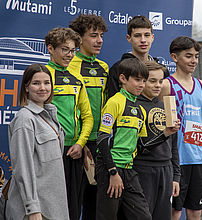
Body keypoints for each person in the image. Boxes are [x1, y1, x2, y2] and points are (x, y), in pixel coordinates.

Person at [159, 36, 202, 220]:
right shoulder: (166, 85)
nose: (194, 61)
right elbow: (162, 125)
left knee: (195, 212)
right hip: (177, 160)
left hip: (199, 159)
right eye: (188, 56)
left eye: (196, 56)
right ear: (174, 57)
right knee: (174, 211)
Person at [6, 64, 69, 220]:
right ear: (26, 87)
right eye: (36, 83)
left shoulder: (50, 116)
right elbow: (23, 168)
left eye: (47, 83)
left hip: (53, 207)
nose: (43, 88)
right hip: (37, 211)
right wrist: (32, 208)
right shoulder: (25, 119)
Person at [45, 27, 93, 220]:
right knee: (50, 206)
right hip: (49, 151)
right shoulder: (42, 75)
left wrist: (80, 143)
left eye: (73, 50)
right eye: (65, 49)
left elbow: (88, 117)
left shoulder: (77, 79)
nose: (70, 55)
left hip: (73, 152)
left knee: (73, 207)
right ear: (50, 48)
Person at [95, 58, 151, 220]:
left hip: (129, 170)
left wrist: (166, 133)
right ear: (123, 79)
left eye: (144, 81)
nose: (141, 84)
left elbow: (142, 145)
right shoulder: (114, 102)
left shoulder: (140, 109)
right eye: (137, 80)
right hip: (110, 168)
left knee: (143, 216)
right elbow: (102, 139)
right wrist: (112, 171)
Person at [68, 14, 109, 220]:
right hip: (77, 144)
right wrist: (80, 141)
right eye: (93, 35)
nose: (99, 40)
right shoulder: (70, 65)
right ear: (79, 39)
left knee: (96, 206)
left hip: (100, 144)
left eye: (101, 35)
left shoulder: (103, 67)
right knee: (73, 205)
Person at [134, 61, 181, 220]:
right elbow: (139, 147)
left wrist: (176, 177)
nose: (158, 85)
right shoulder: (133, 106)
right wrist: (165, 133)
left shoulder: (166, 105)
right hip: (143, 169)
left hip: (166, 170)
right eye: (152, 81)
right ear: (142, 81)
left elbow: (173, 146)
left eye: (161, 81)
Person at [107, 15, 168, 99]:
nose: (143, 40)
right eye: (137, 35)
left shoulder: (161, 70)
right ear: (129, 38)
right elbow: (112, 102)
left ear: (152, 37)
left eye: (147, 35)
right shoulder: (117, 69)